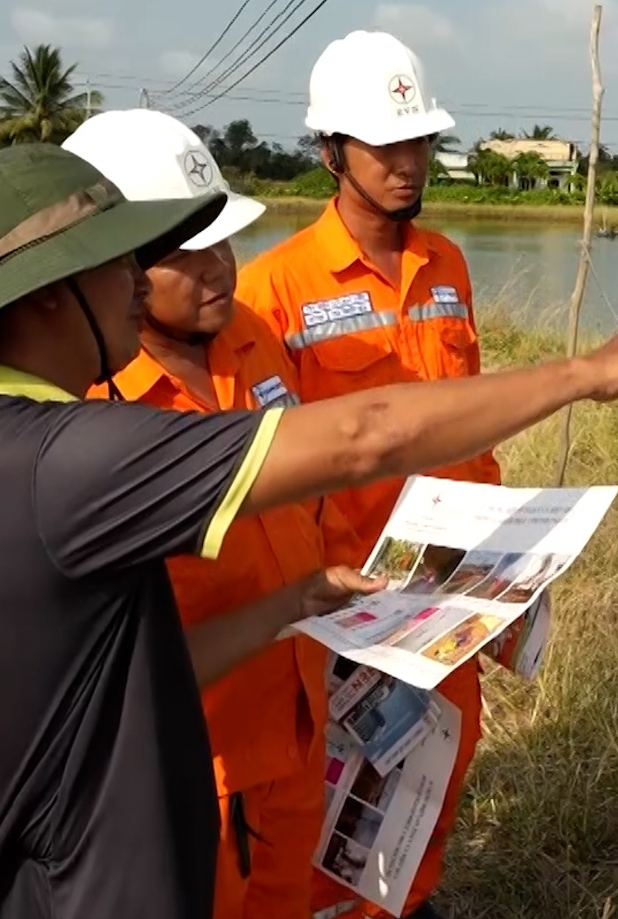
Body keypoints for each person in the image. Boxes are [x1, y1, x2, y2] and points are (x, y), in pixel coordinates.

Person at [0, 141, 618, 919]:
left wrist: (289, 604)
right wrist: (587, 372)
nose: (134, 281)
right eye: (120, 259)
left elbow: (136, 677)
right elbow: (365, 435)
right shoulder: (69, 462)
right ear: (49, 289)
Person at [63, 108, 368, 919]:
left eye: (222, 240)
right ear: (113, 267)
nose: (218, 269)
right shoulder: (91, 405)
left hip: (298, 721)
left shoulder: (256, 339)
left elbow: (313, 499)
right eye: (185, 254)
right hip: (194, 759)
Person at [231, 29, 500, 918]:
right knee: (335, 806)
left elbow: (471, 431)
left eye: (417, 140)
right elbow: (266, 474)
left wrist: (504, 568)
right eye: (382, 145)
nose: (405, 162)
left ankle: (411, 900)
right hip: (343, 611)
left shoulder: (448, 267)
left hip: (449, 594)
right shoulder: (273, 290)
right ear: (329, 153)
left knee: (439, 766)